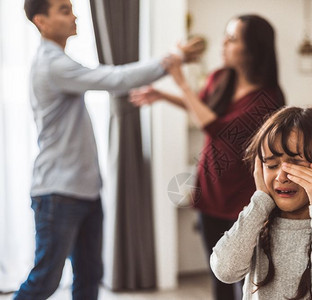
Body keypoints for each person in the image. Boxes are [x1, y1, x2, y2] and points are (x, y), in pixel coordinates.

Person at [15, 0, 204, 299]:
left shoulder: (59, 61)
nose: (74, 14)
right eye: (64, 10)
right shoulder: (52, 64)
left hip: (84, 191)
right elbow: (115, 80)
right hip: (58, 193)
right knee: (45, 281)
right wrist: (171, 58)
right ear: (41, 21)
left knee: (90, 278)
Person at [130, 14, 285, 300]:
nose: (223, 43)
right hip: (210, 190)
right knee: (219, 275)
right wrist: (164, 96)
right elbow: (203, 108)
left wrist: (181, 84)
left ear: (252, 49)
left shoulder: (269, 99)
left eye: (232, 38)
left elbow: (216, 127)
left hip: (246, 200)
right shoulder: (220, 78)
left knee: (248, 280)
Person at [210, 106, 312, 299]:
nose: (281, 176)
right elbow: (225, 271)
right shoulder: (257, 220)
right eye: (272, 165)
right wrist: (260, 201)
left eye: (296, 164)